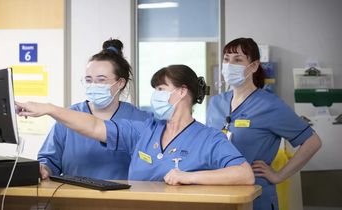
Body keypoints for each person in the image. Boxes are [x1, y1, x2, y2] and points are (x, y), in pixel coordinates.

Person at [17, 64, 255, 185]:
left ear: (182, 92)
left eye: (161, 89)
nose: (156, 95)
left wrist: (191, 177)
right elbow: (94, 127)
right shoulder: (145, 129)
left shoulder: (209, 138)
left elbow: (244, 174)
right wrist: (50, 109)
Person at [206, 38, 322, 210]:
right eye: (226, 59)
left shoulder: (270, 105)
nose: (230, 65)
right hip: (218, 192)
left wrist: (279, 176)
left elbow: (313, 142)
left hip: (255, 196)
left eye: (238, 60)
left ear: (253, 66)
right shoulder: (215, 103)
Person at [37, 38, 151, 180]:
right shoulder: (68, 117)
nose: (93, 85)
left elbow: (152, 165)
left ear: (120, 83)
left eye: (101, 80)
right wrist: (44, 169)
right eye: (89, 80)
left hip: (124, 199)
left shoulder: (140, 119)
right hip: (74, 197)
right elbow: (48, 161)